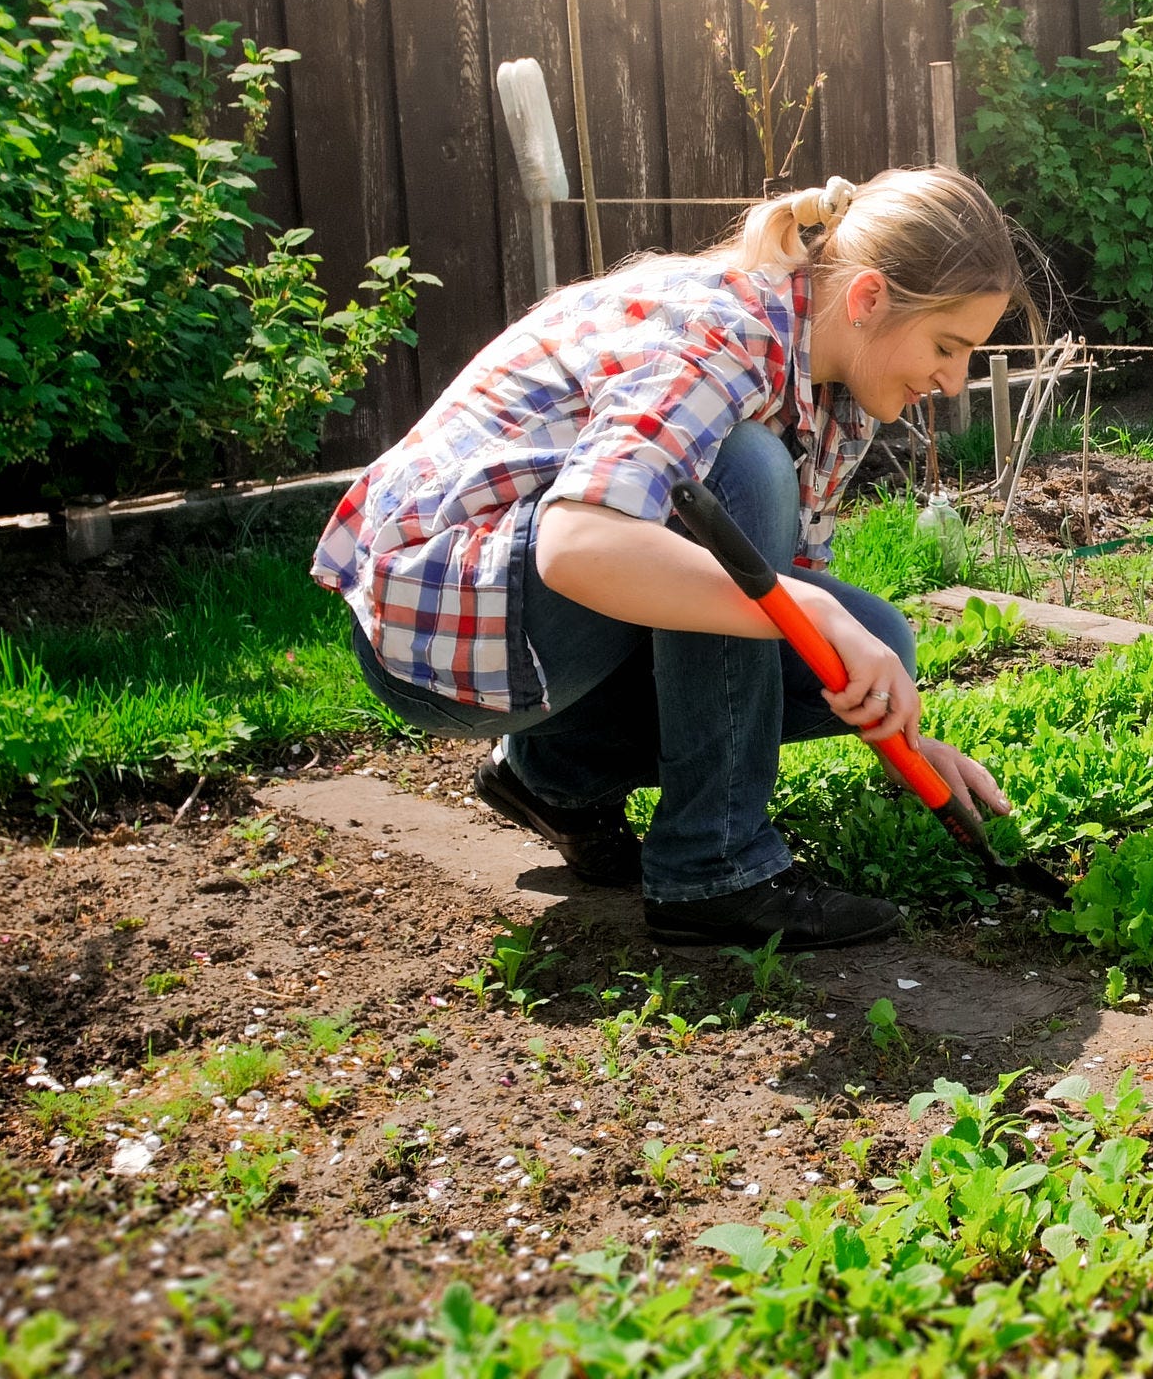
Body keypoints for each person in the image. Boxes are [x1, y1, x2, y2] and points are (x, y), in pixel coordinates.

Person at [313, 168, 1022, 949]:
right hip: (446, 624)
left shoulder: (833, 390)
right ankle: (712, 871)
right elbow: (578, 545)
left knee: (873, 644)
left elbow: (772, 590)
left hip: (534, 633)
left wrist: (902, 740)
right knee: (737, 470)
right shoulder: (724, 330)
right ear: (867, 299)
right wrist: (811, 610)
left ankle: (552, 777)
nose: (952, 381)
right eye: (947, 347)